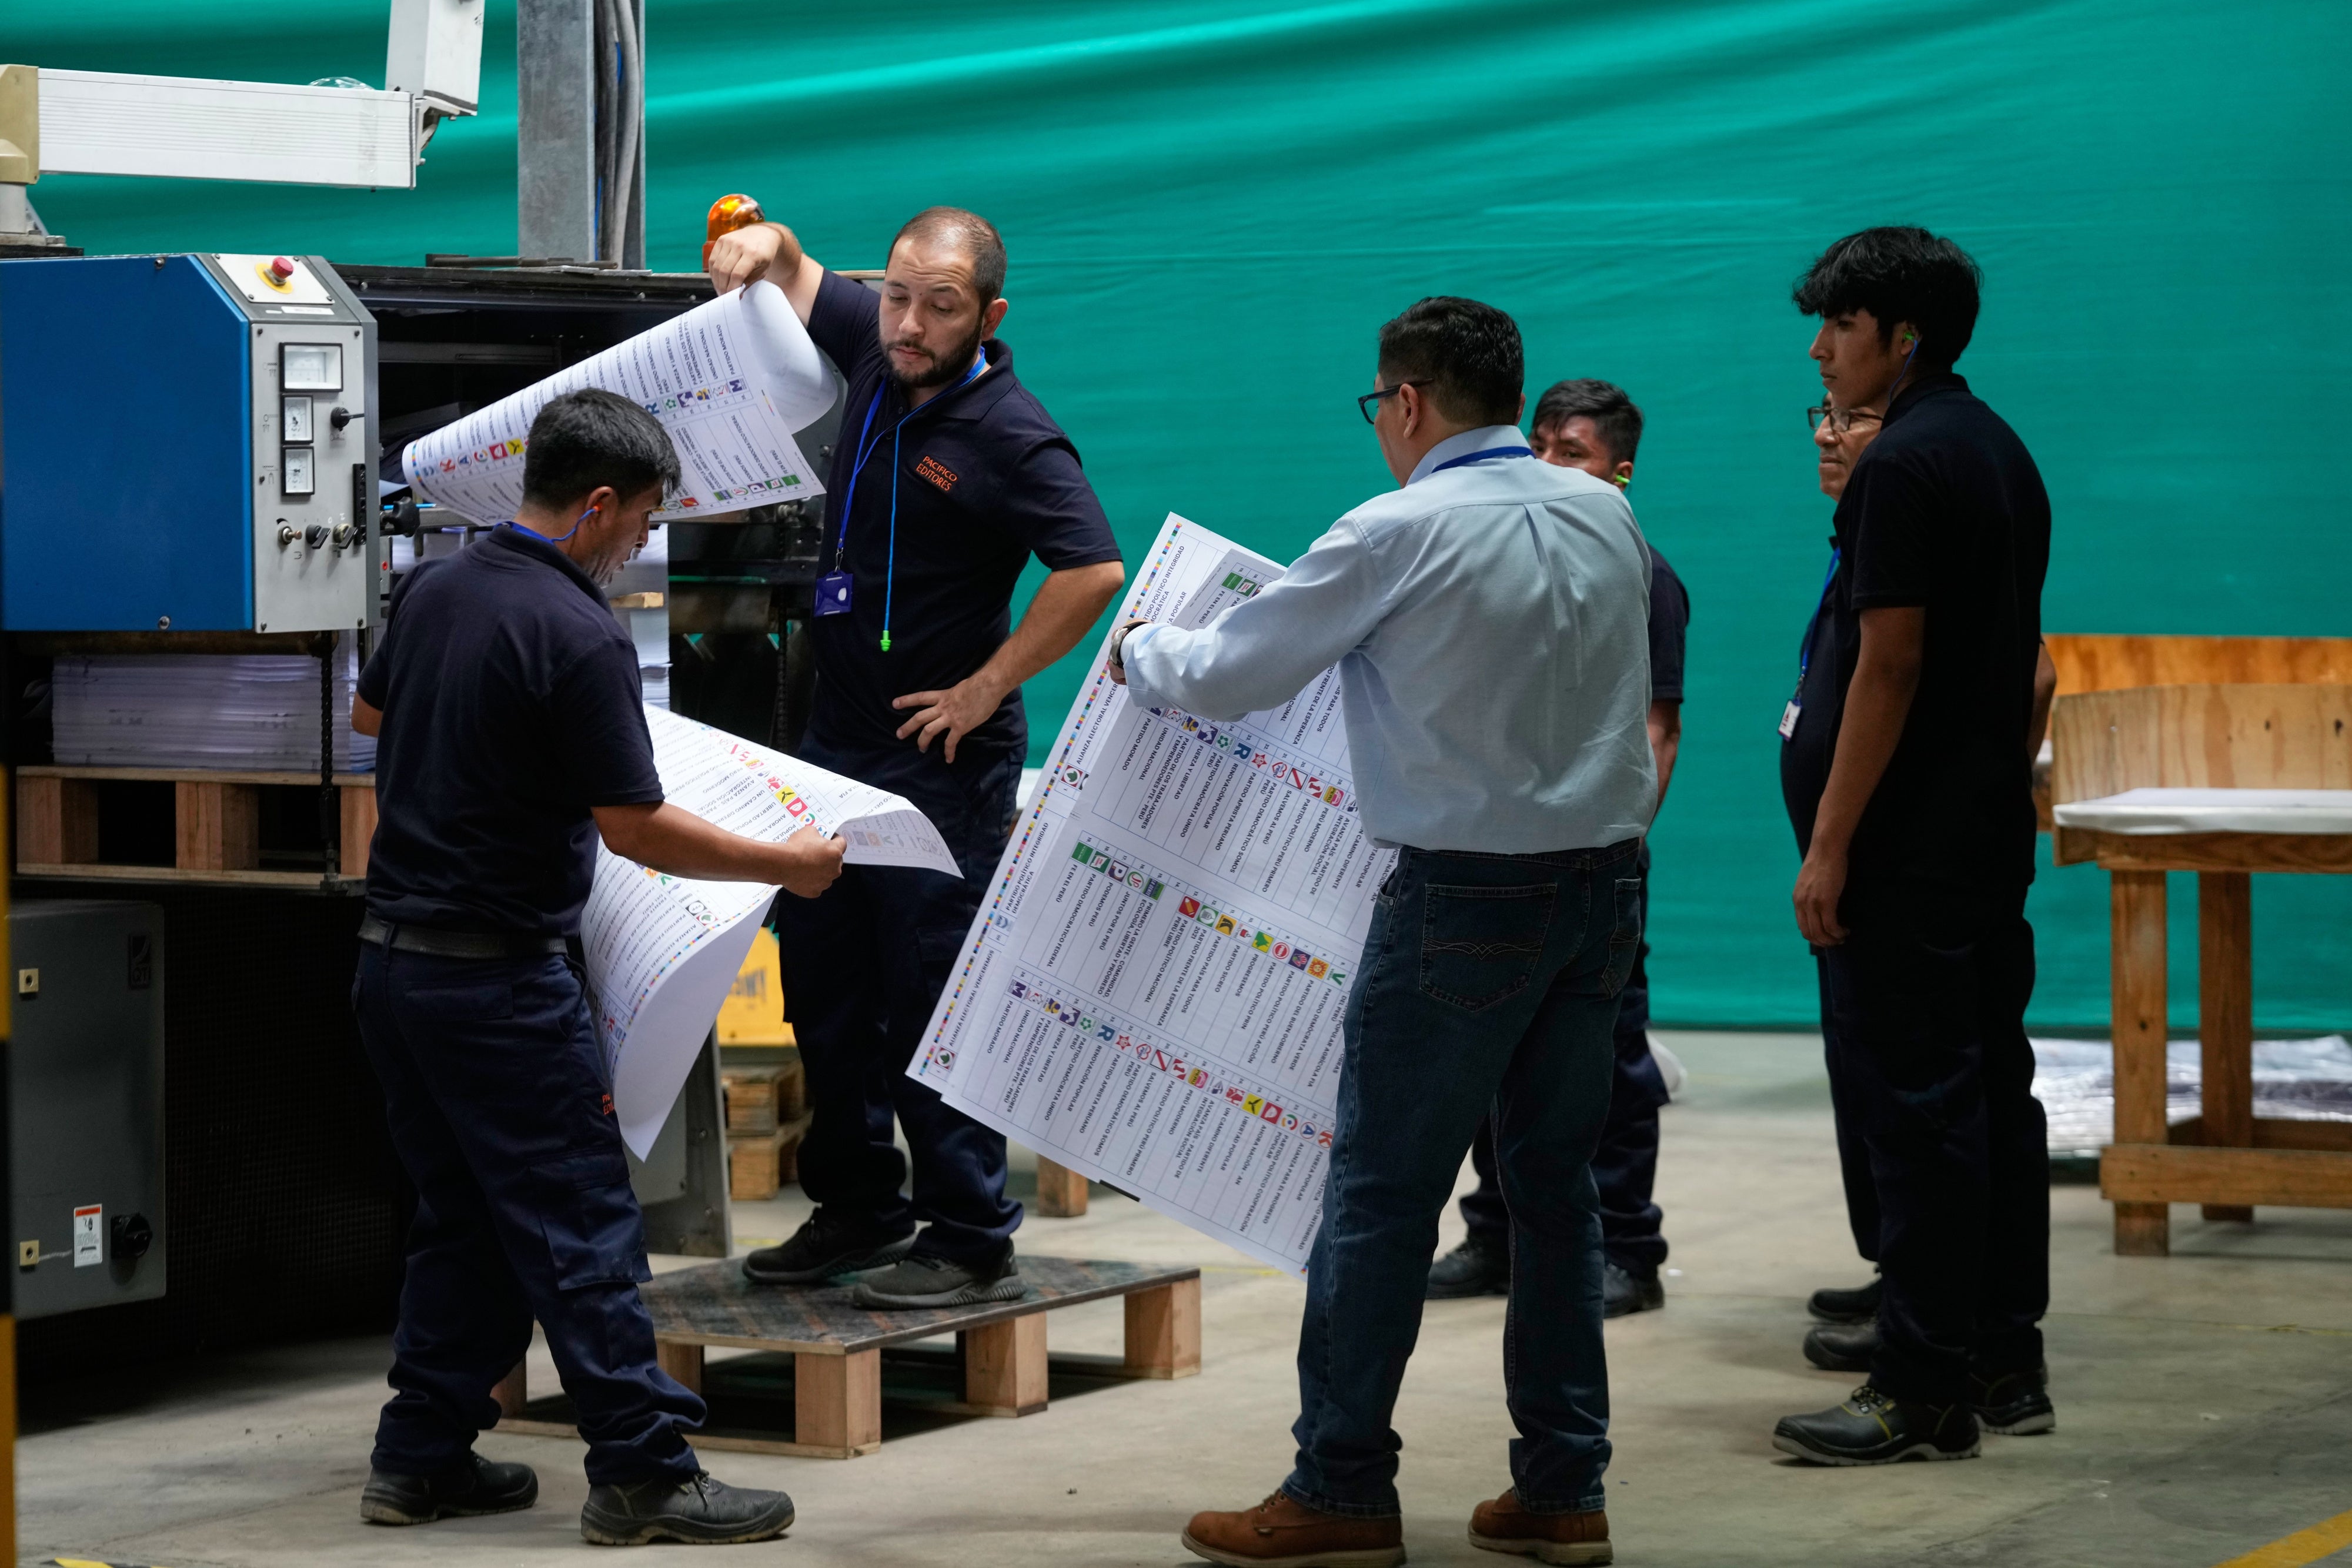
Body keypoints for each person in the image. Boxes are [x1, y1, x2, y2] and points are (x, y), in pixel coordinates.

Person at [1112, 297, 1653, 1568]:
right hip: (1603, 889)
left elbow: (1230, 668)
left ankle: (1341, 1486)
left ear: (1405, 404)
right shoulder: (1604, 510)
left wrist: (1142, 646)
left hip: (1465, 896)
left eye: (1377, 407)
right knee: (1556, 1192)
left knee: (1378, 1196)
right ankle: (1562, 1486)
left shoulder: (1394, 528)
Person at [350, 390, 843, 1545]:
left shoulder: (435, 587)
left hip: (391, 972)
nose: (638, 549)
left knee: (461, 1220)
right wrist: (790, 862)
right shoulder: (578, 631)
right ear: (600, 505)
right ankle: (644, 1471)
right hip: (496, 984)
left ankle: (417, 1457)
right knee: (578, 1224)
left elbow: (374, 716)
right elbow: (637, 827)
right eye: (641, 526)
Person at [706, 208, 1125, 1309]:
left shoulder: (1012, 434)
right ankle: (859, 1207)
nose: (909, 323)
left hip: (944, 767)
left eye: (940, 307)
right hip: (834, 751)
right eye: (897, 296)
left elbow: (1092, 570)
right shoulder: (871, 350)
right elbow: (795, 263)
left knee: (930, 1000)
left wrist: (989, 685)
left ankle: (972, 1231)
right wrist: (767, 247)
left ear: (987, 317)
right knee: (827, 989)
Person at [1771, 226, 2059, 1467]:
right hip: (1978, 835)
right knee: (1989, 1089)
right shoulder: (1996, 448)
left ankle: (1918, 1385)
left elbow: (1888, 665)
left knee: (1921, 1108)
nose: (1820, 349)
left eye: (1840, 325)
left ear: (1902, 335)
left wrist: (1829, 846)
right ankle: (1999, 1350)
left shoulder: (1905, 466)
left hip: (1907, 845)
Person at [1426, 378, 1689, 1319]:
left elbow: (1658, 733)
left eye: (1570, 452)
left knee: (1609, 1067)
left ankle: (1629, 1249)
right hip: (1508, 865)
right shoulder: (1513, 571)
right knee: (1491, 1053)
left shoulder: (1645, 575)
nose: (1545, 465)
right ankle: (1495, 1236)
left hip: (1595, 868)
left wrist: (1607, 851)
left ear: (1619, 471)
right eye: (1537, 445)